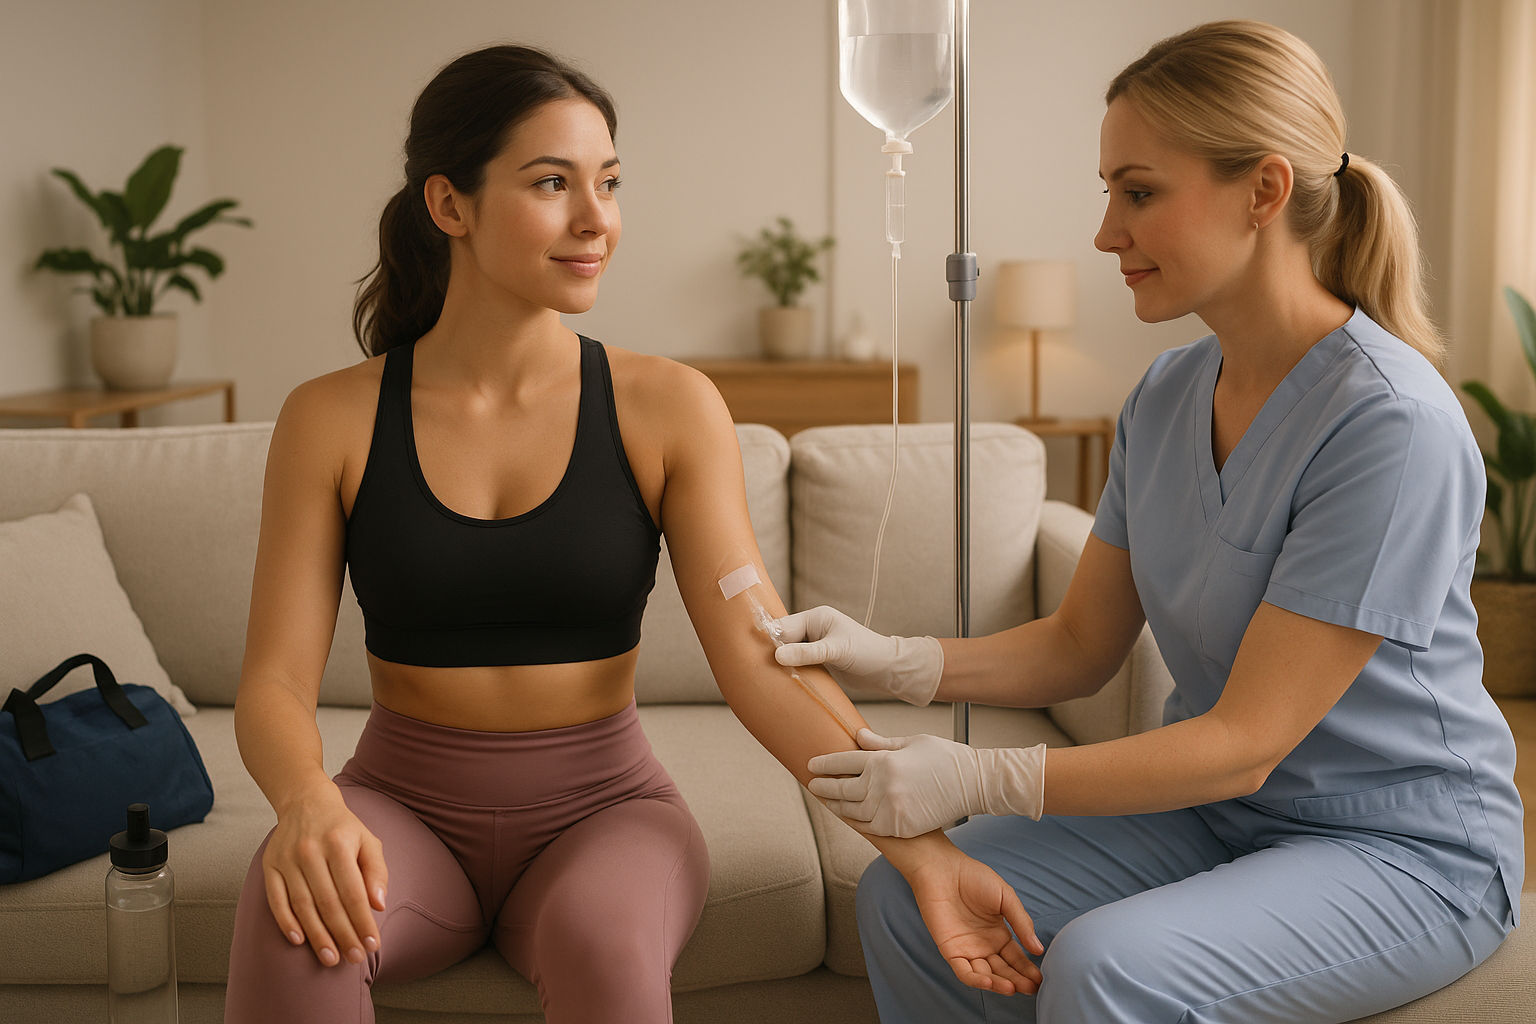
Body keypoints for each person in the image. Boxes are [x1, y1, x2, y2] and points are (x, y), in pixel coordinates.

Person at [224, 44, 1043, 1024]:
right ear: (450, 205)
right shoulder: (331, 418)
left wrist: (925, 850)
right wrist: (308, 802)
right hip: (400, 805)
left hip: (605, 814)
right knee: (289, 926)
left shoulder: (667, 407)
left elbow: (762, 656)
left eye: (608, 183)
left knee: (602, 941)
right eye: (552, 183)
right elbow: (274, 680)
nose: (596, 220)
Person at [776, 19, 1523, 1024]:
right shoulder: (1168, 394)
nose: (1104, 231)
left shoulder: (1390, 425)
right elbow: (1080, 644)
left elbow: (1248, 739)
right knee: (907, 900)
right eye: (1108, 193)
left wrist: (978, 775)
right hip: (1214, 816)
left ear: (1264, 191)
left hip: (1399, 848)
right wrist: (897, 659)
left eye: (1139, 192)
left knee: (1109, 968)